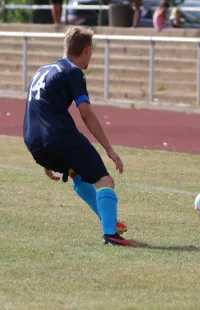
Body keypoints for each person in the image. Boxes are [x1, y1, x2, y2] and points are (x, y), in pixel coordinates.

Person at [22, 27, 135, 247]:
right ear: (87, 49)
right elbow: (86, 113)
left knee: (76, 173)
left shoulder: (41, 71)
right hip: (58, 135)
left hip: (33, 138)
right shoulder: (73, 72)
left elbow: (36, 108)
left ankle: (107, 217)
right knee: (105, 180)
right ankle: (110, 234)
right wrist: (109, 149)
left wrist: (46, 154)